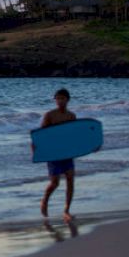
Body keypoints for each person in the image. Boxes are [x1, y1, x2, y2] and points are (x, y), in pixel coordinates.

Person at [39, 88, 76, 223]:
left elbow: (75, 134)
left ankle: (66, 210)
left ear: (68, 100)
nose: (60, 101)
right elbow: (41, 135)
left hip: (67, 152)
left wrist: (88, 146)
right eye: (57, 98)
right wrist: (39, 150)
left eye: (62, 98)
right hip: (54, 153)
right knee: (55, 183)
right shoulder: (49, 115)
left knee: (70, 180)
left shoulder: (71, 116)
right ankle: (44, 200)